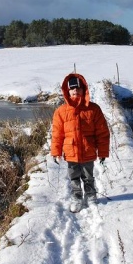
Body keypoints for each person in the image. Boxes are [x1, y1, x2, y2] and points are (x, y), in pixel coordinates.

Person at [50, 73, 110, 213]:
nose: (75, 91)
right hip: (71, 153)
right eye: (72, 89)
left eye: (78, 88)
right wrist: (56, 152)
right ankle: (76, 197)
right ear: (67, 91)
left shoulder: (93, 109)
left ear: (84, 89)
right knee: (74, 177)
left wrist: (102, 152)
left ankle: (90, 195)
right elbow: (57, 134)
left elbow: (102, 133)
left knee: (88, 176)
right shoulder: (61, 111)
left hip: (88, 150)